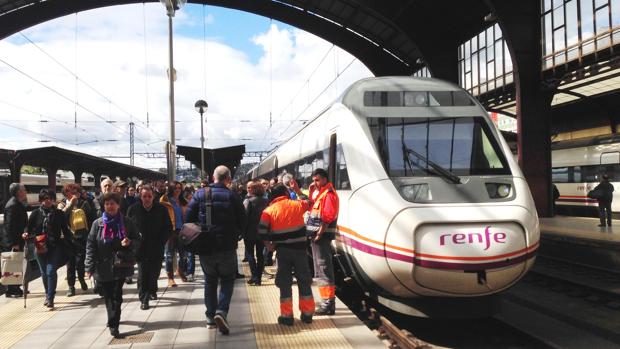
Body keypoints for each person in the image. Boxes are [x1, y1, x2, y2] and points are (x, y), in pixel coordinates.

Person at [186, 165, 246, 334]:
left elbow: (188, 219)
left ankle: (210, 318)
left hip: (206, 247)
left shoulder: (199, 194)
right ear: (228, 178)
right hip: (227, 246)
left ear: (213, 178)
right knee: (228, 279)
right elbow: (243, 220)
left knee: (210, 281)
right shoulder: (233, 196)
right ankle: (222, 311)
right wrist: (237, 234)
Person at [85, 192, 141, 338]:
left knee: (116, 295)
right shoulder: (97, 224)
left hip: (120, 264)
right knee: (109, 295)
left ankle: (113, 324)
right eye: (107, 204)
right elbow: (91, 245)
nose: (110, 206)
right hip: (102, 266)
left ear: (118, 205)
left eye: (113, 203)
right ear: (104, 206)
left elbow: (138, 240)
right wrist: (88, 267)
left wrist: (129, 242)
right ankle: (113, 318)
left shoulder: (127, 222)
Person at [258, 183, 314, 326]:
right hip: (300, 251)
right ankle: (307, 314)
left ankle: (287, 316)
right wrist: (297, 189)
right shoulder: (297, 204)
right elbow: (310, 202)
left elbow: (262, 231)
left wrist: (268, 245)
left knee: (284, 283)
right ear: (285, 193)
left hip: (282, 252)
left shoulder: (268, 211)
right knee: (304, 280)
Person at [25, 189, 74, 309]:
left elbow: (65, 230)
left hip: (55, 246)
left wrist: (72, 241)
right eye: (45, 198)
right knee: (44, 273)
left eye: (50, 198)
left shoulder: (59, 214)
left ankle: (51, 298)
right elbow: (28, 228)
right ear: (41, 200)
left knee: (51, 271)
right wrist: (25, 233)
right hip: (40, 246)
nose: (48, 201)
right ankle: (47, 294)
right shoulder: (35, 214)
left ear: (53, 200)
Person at [127, 185, 171, 310]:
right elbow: (128, 227)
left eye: (149, 196)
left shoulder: (161, 209)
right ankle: (144, 298)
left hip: (156, 246)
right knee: (142, 273)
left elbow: (168, 227)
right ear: (140, 197)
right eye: (144, 196)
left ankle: (152, 290)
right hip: (140, 247)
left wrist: (162, 241)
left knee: (154, 272)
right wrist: (132, 242)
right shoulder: (133, 209)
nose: (147, 199)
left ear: (153, 197)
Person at [306, 168, 339, 315]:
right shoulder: (321, 194)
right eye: (313, 180)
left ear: (325, 179)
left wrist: (320, 233)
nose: (315, 183)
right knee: (320, 269)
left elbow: (327, 216)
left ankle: (328, 304)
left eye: (317, 180)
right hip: (317, 237)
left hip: (322, 237)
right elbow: (313, 208)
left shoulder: (329, 194)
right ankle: (326, 301)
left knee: (323, 268)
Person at [58, 183, 92, 297]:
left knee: (80, 262)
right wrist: (70, 206)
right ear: (66, 194)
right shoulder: (62, 205)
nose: (73, 195)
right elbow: (60, 218)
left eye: (75, 192)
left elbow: (90, 218)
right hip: (68, 239)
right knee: (70, 263)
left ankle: (82, 279)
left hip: (81, 238)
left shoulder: (84, 203)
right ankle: (71, 286)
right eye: (70, 192)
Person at [1, 183, 28, 298]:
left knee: (16, 264)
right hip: (14, 242)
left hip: (17, 240)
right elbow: (9, 226)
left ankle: (16, 288)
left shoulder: (16, 203)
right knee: (12, 265)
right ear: (18, 192)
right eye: (24, 190)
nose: (25, 191)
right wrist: (14, 243)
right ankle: (11, 290)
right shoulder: (12, 205)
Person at [160, 182, 188, 286]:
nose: (177, 190)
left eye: (179, 188)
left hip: (182, 231)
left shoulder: (183, 201)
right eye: (175, 188)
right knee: (169, 256)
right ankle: (170, 278)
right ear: (171, 189)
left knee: (184, 255)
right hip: (170, 231)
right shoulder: (165, 200)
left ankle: (180, 271)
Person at [243, 180, 269, 286]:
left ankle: (254, 277)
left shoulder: (248, 201)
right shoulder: (266, 201)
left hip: (249, 232)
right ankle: (258, 278)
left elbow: (244, 217)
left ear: (253, 190)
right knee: (260, 255)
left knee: (250, 254)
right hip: (262, 232)